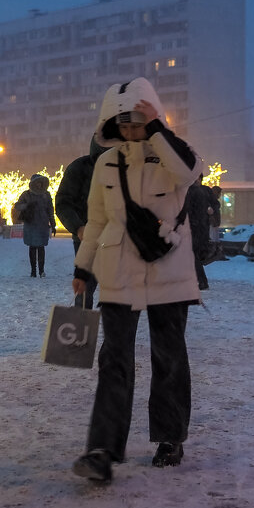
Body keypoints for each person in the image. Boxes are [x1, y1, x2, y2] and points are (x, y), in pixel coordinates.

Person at [70, 77, 203, 483]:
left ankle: (169, 437)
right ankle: (102, 449)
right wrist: (82, 267)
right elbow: (96, 220)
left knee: (168, 357)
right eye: (122, 123)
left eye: (136, 122)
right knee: (114, 361)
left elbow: (188, 173)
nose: (129, 131)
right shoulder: (106, 164)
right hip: (118, 271)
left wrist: (156, 130)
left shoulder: (176, 154)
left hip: (169, 270)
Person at [56, 137, 105, 308]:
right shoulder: (80, 168)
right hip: (86, 238)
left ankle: (116, 334)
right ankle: (81, 331)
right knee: (85, 288)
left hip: (120, 240)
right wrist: (78, 227)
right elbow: (63, 202)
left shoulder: (128, 166)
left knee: (120, 295)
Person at [14, 174, 55, 277]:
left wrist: (53, 224)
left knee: (41, 248)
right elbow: (17, 206)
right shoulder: (26, 194)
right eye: (36, 183)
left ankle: (41, 270)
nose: (38, 185)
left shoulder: (46, 195)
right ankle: (33, 271)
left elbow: (50, 210)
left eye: (40, 183)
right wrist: (27, 205)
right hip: (31, 224)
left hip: (42, 224)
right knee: (32, 247)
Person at [184, 175, 214, 290]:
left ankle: (200, 280)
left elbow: (190, 210)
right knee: (193, 255)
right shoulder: (200, 191)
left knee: (192, 255)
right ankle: (199, 280)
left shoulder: (192, 191)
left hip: (194, 227)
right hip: (199, 227)